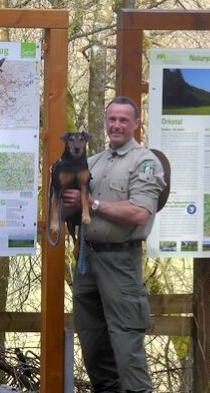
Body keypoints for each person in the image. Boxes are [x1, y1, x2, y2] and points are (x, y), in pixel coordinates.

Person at [61, 96, 166, 393]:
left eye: (123, 120)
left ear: (136, 123)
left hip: (120, 263)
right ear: (105, 123)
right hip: (87, 262)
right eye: (112, 119)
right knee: (93, 344)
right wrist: (64, 200)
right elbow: (70, 209)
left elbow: (139, 213)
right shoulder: (92, 162)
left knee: (126, 348)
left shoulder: (144, 162)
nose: (116, 125)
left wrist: (90, 202)